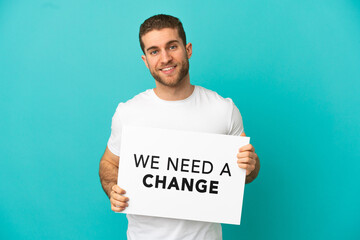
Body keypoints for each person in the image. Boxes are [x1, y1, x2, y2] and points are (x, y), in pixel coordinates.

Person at [99, 14, 260, 240]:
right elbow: (109, 162)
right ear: (145, 60)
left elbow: (246, 173)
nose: (165, 58)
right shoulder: (128, 113)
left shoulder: (222, 109)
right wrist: (112, 189)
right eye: (154, 51)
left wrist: (250, 164)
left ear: (188, 50)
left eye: (172, 46)